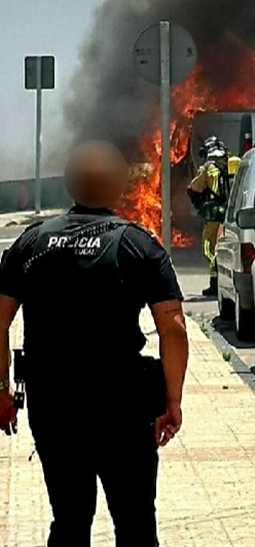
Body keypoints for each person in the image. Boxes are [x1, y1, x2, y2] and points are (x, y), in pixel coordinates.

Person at [0, 139, 188, 545]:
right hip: (123, 408)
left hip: (54, 407)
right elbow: (173, 328)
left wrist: (1, 391)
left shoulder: (31, 244)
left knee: (69, 519)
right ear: (119, 188)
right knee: (136, 522)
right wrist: (172, 400)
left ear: (68, 185)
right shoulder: (139, 245)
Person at [188, 137, 232, 297]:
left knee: (209, 247)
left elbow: (195, 188)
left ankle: (215, 283)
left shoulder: (207, 168)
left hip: (214, 217)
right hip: (231, 216)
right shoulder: (232, 165)